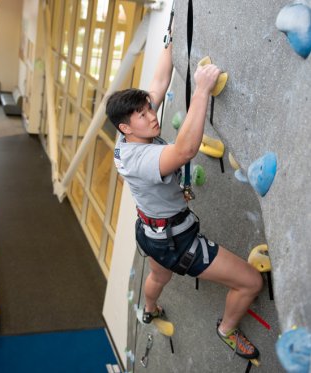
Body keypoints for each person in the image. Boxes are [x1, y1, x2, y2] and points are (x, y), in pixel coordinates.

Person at [105, 37, 263, 360]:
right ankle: (226, 329)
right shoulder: (138, 158)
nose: (151, 115)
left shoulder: (128, 135)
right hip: (178, 243)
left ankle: (148, 309)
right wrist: (202, 90)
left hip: (150, 234)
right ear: (125, 127)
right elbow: (185, 150)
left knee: (157, 276)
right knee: (251, 281)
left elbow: (159, 81)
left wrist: (170, 38)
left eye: (148, 108)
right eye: (141, 114)